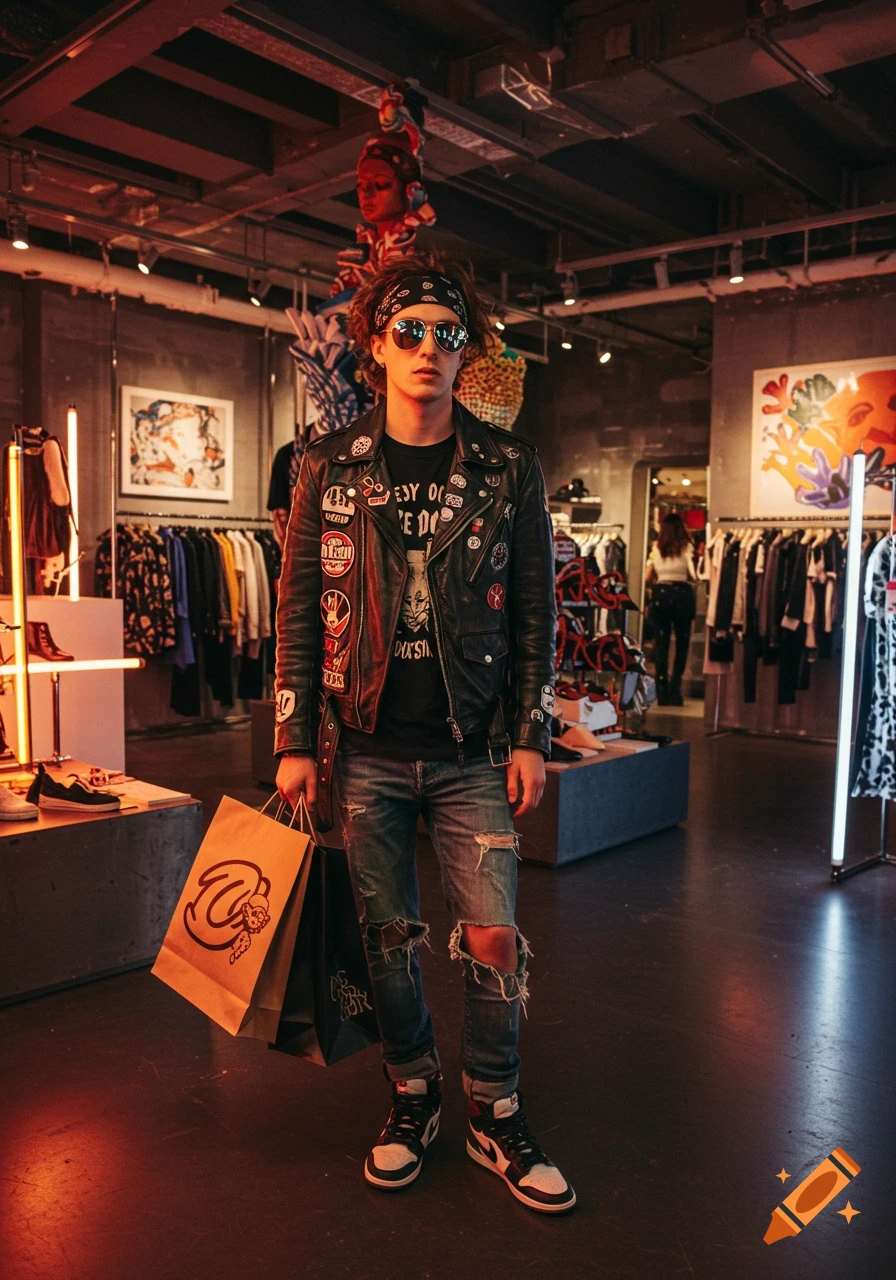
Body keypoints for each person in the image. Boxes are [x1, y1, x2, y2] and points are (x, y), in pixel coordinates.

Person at [274, 250, 575, 1213]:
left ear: (466, 352)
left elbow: (536, 609)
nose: (430, 350)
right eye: (411, 330)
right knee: (389, 940)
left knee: (492, 935)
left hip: (473, 749)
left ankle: (495, 1105)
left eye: (449, 335)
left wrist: (530, 730)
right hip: (361, 746)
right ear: (374, 343)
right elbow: (296, 609)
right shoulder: (327, 466)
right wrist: (292, 739)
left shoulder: (506, 465)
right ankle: (413, 1093)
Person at [645, 512, 697, 706]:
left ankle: (662, 690)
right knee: (682, 644)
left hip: (661, 596)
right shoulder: (687, 548)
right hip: (682, 596)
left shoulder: (656, 549)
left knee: (662, 645)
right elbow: (693, 575)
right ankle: (676, 688)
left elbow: (648, 577)